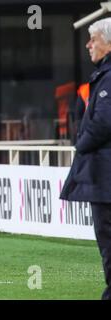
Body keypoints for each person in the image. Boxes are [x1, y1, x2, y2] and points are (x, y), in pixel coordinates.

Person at [60, 18, 111, 300]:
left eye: (93, 38)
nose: (88, 44)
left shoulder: (109, 76)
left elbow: (103, 121)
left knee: (107, 237)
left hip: (105, 176)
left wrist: (80, 144)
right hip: (103, 173)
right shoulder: (103, 75)